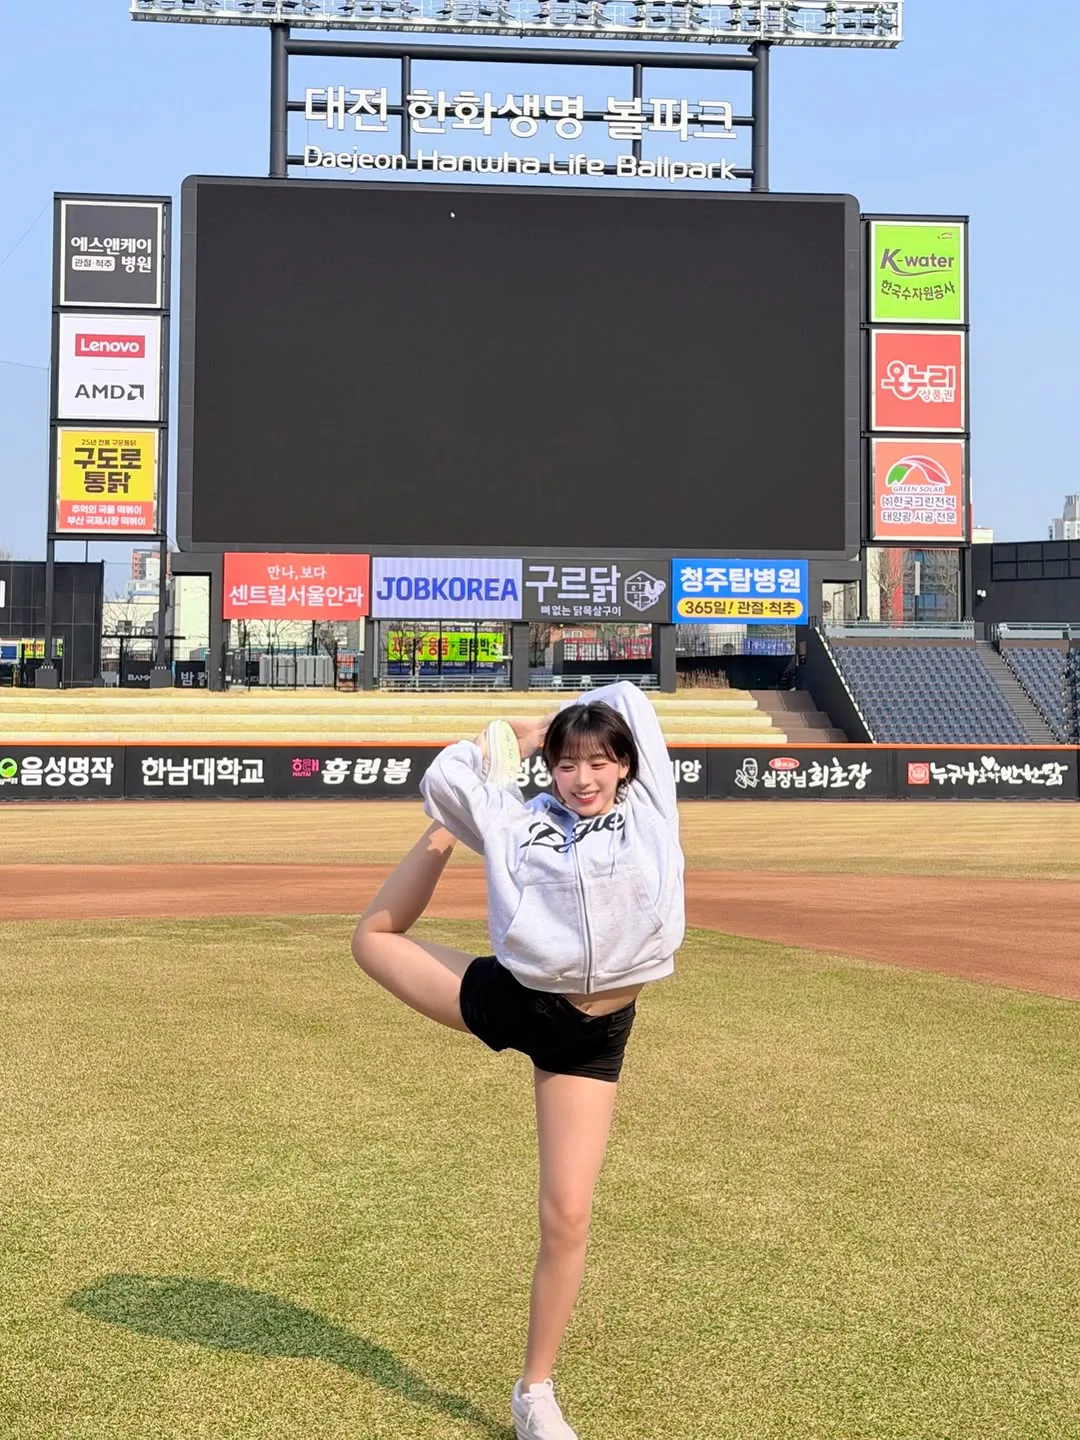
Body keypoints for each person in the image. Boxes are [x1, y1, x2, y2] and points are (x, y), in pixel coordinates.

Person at [351, 681, 685, 1440]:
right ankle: (442, 837)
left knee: (567, 1214)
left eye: (598, 761)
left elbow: (629, 697)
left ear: (626, 765)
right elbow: (445, 775)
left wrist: (563, 718)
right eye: (566, 764)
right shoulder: (519, 818)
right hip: (518, 997)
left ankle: (534, 1392)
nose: (582, 778)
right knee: (372, 942)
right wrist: (519, 736)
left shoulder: (651, 808)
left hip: (589, 1039)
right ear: (549, 769)